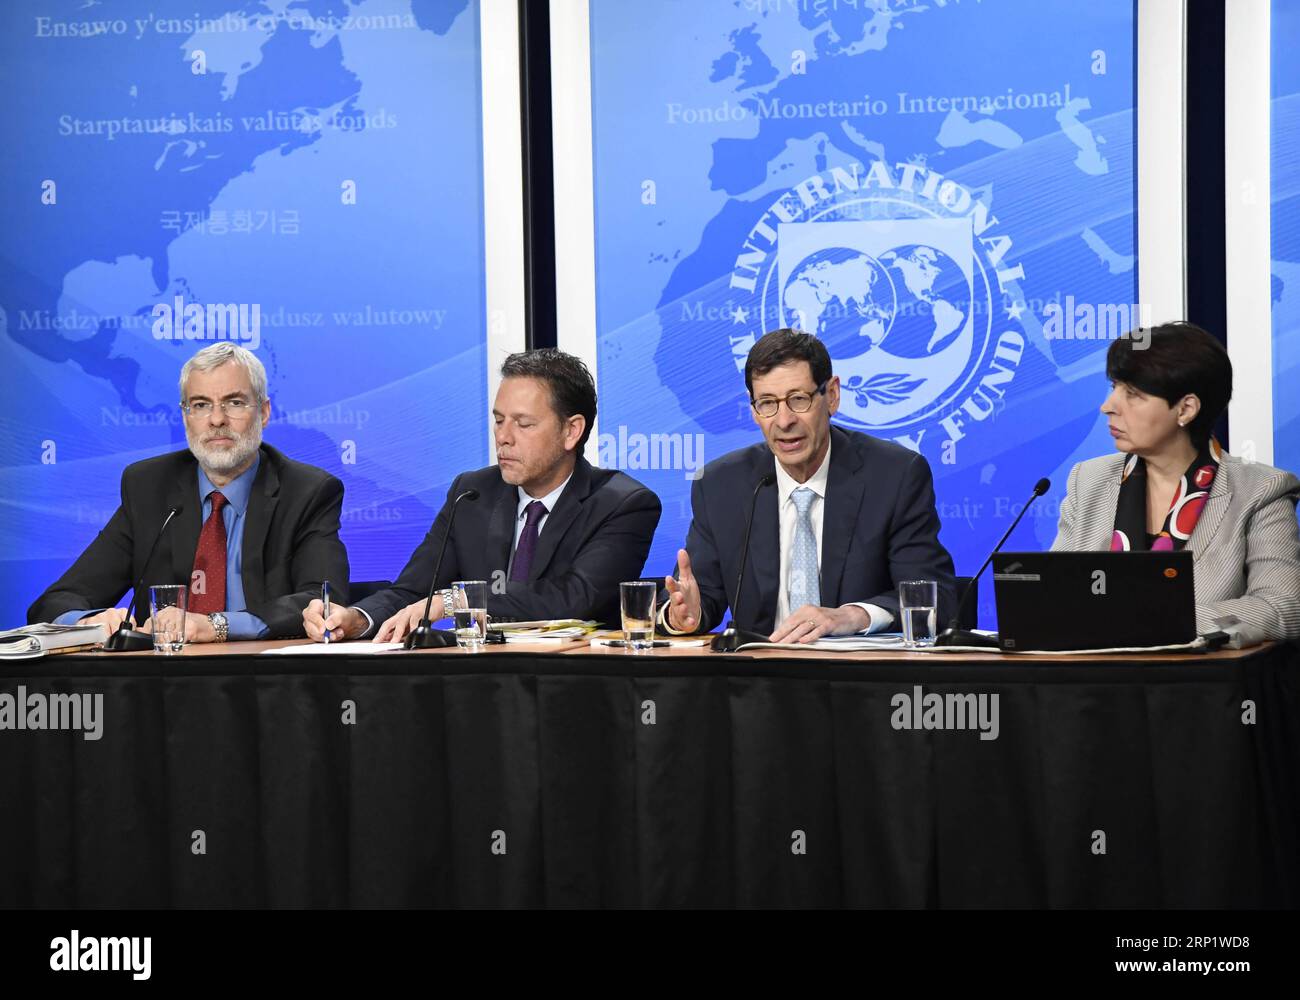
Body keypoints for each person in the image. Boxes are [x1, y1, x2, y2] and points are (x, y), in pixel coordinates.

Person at [306, 348, 661, 641]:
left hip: (574, 689)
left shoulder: (623, 504)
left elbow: (573, 598)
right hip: (479, 686)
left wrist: (456, 600)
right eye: (498, 420)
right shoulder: (472, 492)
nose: (503, 437)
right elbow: (415, 591)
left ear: (572, 431)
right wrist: (356, 618)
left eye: (523, 424)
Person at [29, 343, 349, 641]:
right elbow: (54, 603)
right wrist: (90, 621)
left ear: (264, 412)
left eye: (234, 402)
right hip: (163, 686)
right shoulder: (149, 486)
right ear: (185, 417)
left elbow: (323, 603)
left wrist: (216, 625)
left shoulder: (307, 491)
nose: (217, 420)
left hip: (265, 681)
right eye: (200, 405)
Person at [661, 328, 957, 642]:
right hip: (757, 679)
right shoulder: (722, 485)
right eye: (767, 403)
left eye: (798, 399)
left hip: (862, 680)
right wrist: (681, 615)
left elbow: (933, 599)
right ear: (754, 411)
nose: (784, 420)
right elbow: (701, 597)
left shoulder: (894, 476)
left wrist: (852, 615)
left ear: (831, 396)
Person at [1052, 321, 1300, 644]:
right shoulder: (1088, 481)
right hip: (1093, 688)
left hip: (1193, 689)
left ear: (1185, 409)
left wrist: (1158, 619)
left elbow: (1282, 608)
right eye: (1114, 387)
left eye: (1133, 394)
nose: (1108, 406)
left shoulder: (1260, 491)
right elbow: (1054, 598)